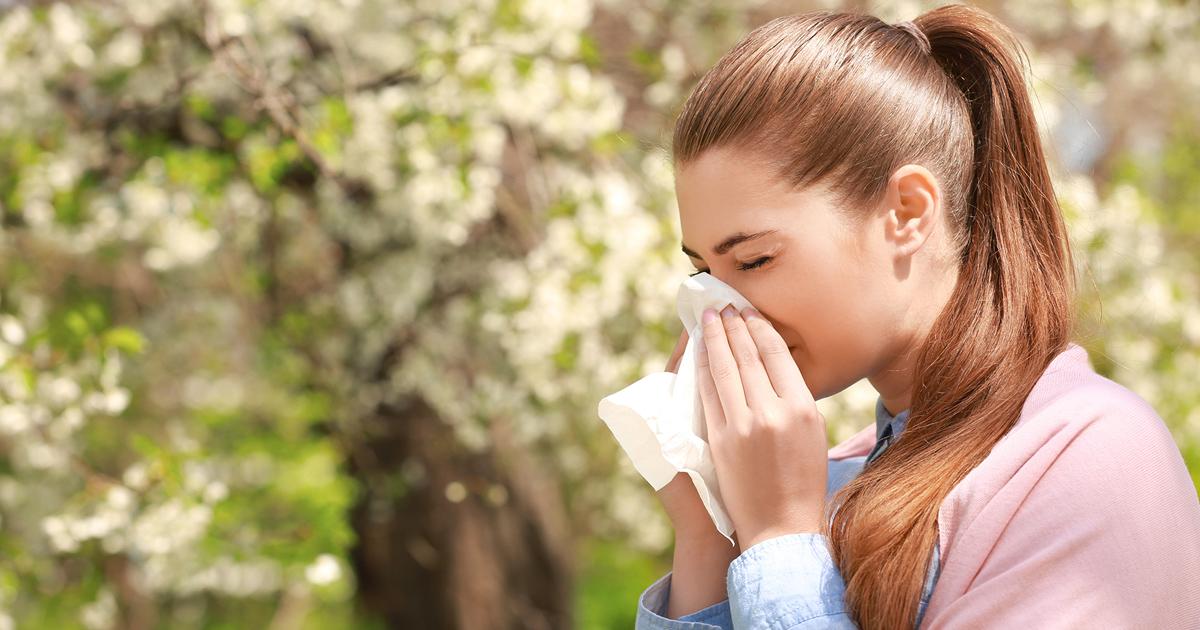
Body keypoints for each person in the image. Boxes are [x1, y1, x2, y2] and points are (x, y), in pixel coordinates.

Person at [633, 4, 1200, 629]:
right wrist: (710, 532)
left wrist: (778, 539)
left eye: (755, 259)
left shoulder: (1088, 458)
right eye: (703, 274)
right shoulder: (835, 477)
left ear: (906, 212)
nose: (722, 308)